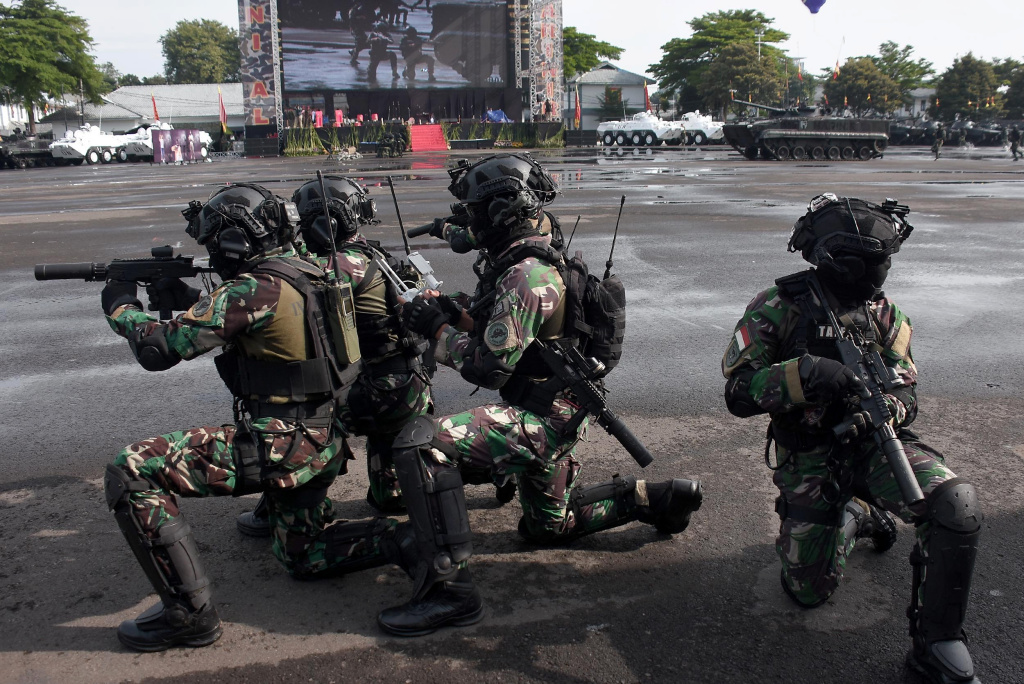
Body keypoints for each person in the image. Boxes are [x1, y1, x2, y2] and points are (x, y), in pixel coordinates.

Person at [379, 154, 704, 636]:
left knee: (420, 445)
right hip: (559, 410)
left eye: (475, 212)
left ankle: (449, 592)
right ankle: (647, 499)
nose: (467, 223)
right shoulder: (538, 244)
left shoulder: (526, 275)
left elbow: (487, 368)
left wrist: (437, 329)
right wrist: (456, 314)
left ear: (500, 212)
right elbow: (512, 336)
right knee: (548, 527)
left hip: (541, 420)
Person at [100, 183, 407, 651]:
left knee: (132, 470)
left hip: (281, 444)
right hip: (323, 438)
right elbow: (239, 321)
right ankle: (406, 540)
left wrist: (122, 308)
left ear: (235, 241)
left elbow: (157, 348)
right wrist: (184, 298)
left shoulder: (254, 287)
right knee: (301, 556)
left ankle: (189, 616)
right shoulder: (311, 270)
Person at [722, 193, 982, 684]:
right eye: (873, 262)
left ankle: (938, 645)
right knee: (807, 591)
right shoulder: (779, 306)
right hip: (810, 455)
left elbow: (907, 385)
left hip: (874, 443)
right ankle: (854, 516)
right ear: (840, 260)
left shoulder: (885, 314)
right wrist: (803, 375)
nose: (881, 272)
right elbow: (737, 392)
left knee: (955, 506)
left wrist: (891, 406)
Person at [235, 176, 433, 536]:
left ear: (323, 224)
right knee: (389, 495)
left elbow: (282, 289)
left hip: (379, 393)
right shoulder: (375, 255)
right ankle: (393, 490)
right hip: (409, 387)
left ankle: (284, 508)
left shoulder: (338, 264)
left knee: (289, 412)